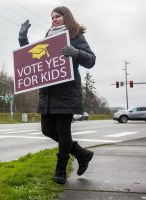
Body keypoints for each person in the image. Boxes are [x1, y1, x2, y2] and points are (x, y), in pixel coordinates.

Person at [18, 6, 96, 184]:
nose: (54, 19)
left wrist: (75, 52)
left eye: (57, 16)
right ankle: (81, 153)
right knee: (47, 130)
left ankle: (60, 169)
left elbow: (91, 60)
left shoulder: (75, 36)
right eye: (52, 17)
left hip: (66, 92)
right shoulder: (48, 38)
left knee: (63, 131)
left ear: (66, 17)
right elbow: (30, 57)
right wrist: (23, 38)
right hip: (48, 93)